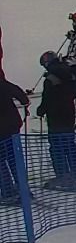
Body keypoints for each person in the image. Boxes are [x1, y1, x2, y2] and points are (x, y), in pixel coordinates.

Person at [37, 52, 76, 190]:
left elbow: (47, 98)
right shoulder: (69, 73)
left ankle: (63, 176)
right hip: (68, 113)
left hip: (55, 117)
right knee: (70, 144)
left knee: (56, 147)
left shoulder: (51, 78)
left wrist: (41, 110)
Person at [0, 74, 30, 206]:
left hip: (2, 130)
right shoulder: (3, 84)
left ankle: (8, 191)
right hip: (12, 126)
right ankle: (23, 188)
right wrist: (24, 102)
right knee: (14, 158)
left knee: (1, 161)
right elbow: (20, 94)